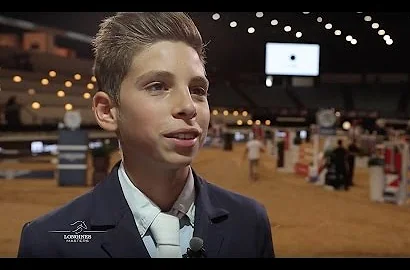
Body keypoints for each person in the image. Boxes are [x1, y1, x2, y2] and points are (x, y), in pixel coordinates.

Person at [17, 12, 274, 258]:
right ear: (108, 111)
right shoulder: (48, 242)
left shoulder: (250, 224)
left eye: (198, 90)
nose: (188, 106)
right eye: (158, 86)